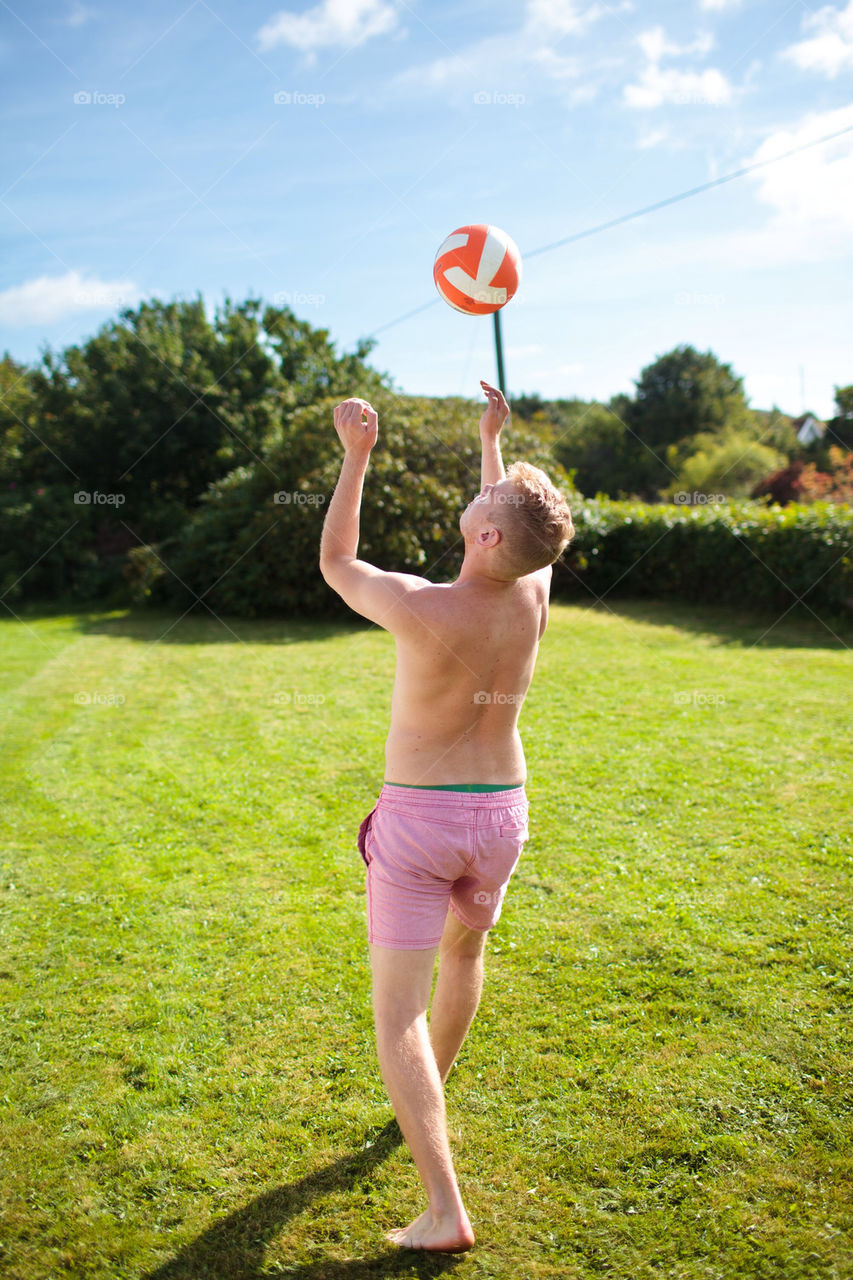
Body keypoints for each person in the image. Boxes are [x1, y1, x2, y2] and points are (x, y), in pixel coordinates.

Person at [319, 380, 574, 1252]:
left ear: (487, 533)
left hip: (421, 825)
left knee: (397, 1014)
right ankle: (426, 1090)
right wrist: (490, 444)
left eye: (486, 498)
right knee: (464, 954)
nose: (479, 493)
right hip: (500, 818)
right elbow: (518, 542)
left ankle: (443, 1210)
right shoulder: (530, 599)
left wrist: (356, 460)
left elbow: (336, 564)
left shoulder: (421, 607)